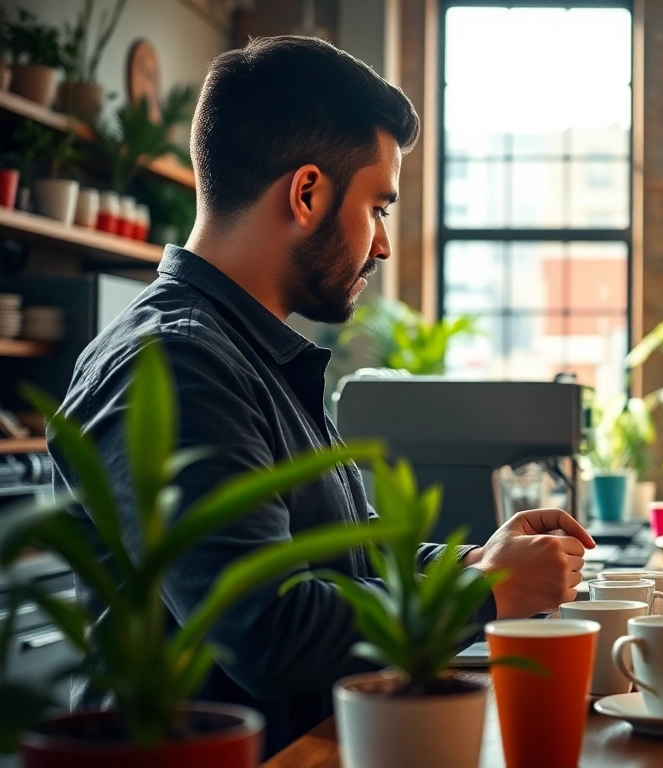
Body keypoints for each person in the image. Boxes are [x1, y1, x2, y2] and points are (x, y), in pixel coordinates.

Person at [51, 37, 594, 756]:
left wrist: (472, 562)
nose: (383, 246)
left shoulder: (255, 355)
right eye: (379, 208)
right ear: (307, 193)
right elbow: (265, 628)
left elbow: (348, 566)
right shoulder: (174, 363)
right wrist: (486, 592)